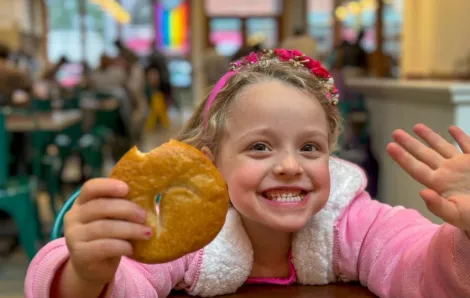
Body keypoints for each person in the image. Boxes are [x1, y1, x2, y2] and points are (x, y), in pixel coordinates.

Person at [25, 49, 470, 298]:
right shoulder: (184, 236)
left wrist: (465, 238)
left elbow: (420, 269)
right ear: (209, 161)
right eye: (260, 146)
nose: (291, 165)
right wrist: (87, 273)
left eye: (310, 147)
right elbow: (129, 282)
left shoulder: (352, 221)